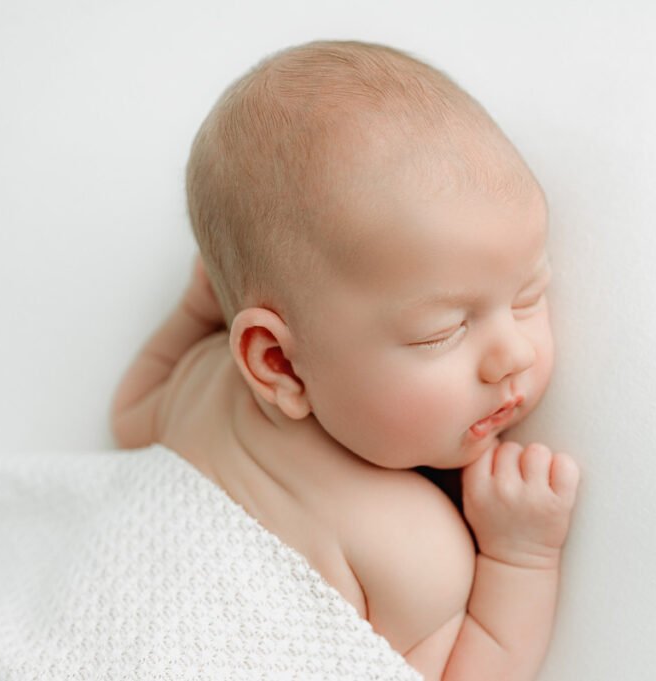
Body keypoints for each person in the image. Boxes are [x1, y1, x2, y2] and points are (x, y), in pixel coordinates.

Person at [112, 40, 579, 681]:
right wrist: (521, 559)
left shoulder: (198, 389)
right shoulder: (414, 546)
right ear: (278, 362)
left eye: (528, 296)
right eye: (440, 332)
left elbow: (128, 413)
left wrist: (197, 311)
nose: (513, 356)